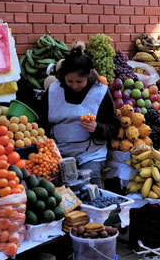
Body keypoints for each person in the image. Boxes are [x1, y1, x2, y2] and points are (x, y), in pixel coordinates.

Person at [35, 48, 118, 187]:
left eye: (79, 81)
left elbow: (114, 128)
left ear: (89, 73)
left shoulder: (100, 92)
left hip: (91, 155)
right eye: (70, 81)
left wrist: (97, 128)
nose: (74, 86)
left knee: (89, 187)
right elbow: (41, 124)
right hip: (58, 155)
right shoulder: (53, 90)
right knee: (56, 189)